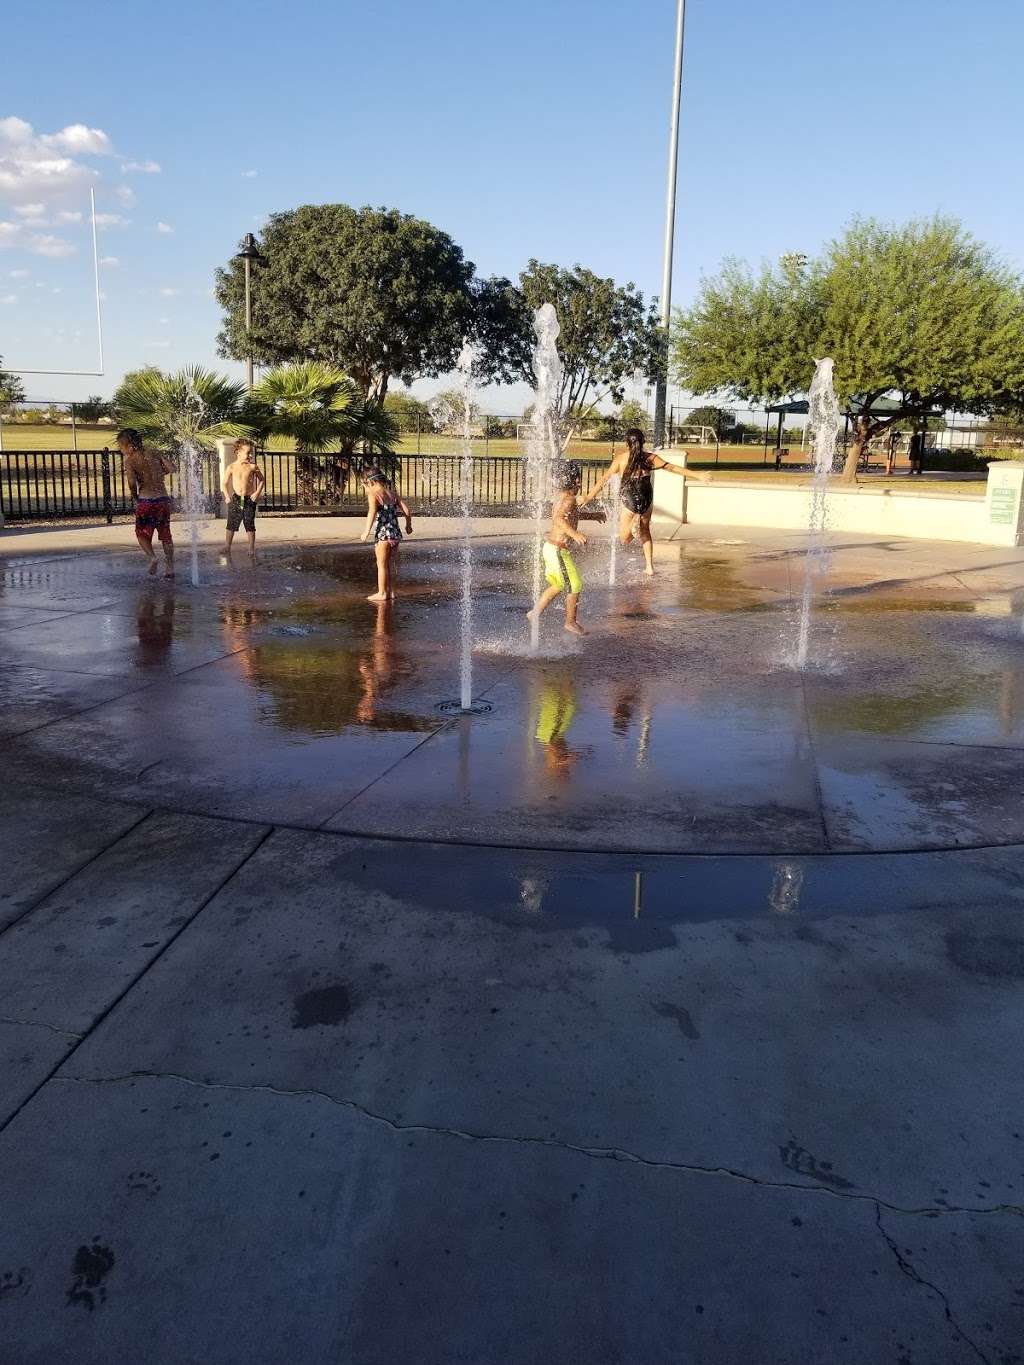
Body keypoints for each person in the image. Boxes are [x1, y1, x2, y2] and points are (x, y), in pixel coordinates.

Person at [579, 427, 712, 577]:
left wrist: (588, 497)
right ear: (642, 442)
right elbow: (672, 468)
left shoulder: (622, 459)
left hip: (630, 500)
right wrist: (697, 475)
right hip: (646, 499)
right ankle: (649, 567)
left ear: (626, 443)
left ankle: (634, 522)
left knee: (624, 539)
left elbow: (604, 479)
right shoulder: (650, 458)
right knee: (646, 532)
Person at [527, 460, 588, 636]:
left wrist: (593, 515)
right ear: (576, 480)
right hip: (558, 550)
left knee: (557, 584)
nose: (580, 484)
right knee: (575, 584)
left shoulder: (566, 498)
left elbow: (570, 516)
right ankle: (570, 622)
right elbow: (559, 519)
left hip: (551, 548)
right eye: (579, 480)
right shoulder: (568, 499)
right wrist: (575, 535)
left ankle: (535, 613)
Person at [119, 428, 176, 579]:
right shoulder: (154, 453)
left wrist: (135, 496)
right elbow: (172, 468)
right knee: (165, 535)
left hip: (146, 500)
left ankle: (152, 557)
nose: (122, 451)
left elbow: (131, 482)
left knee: (141, 534)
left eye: (122, 447)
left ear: (129, 446)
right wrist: (158, 473)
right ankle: (169, 568)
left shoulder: (130, 460)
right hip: (163, 500)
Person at [359, 468, 413, 602]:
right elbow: (407, 510)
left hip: (383, 535)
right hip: (395, 534)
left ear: (370, 482)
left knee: (381, 565)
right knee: (390, 564)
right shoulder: (392, 494)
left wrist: (366, 531)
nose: (365, 488)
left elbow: (372, 513)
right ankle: (391, 591)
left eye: (364, 484)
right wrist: (408, 525)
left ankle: (382, 593)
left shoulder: (374, 494)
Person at [221, 438, 266, 565]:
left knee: (249, 523)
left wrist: (257, 493)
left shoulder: (252, 467)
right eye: (248, 452)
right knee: (231, 524)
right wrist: (226, 496)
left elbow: (262, 480)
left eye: (251, 452)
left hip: (249, 499)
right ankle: (227, 546)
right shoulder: (231, 467)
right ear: (238, 452)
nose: (250, 455)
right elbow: (224, 483)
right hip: (236, 498)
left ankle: (251, 547)